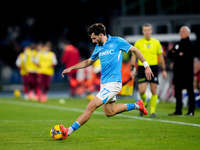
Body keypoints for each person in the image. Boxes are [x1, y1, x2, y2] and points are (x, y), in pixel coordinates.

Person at [59, 23, 154, 140]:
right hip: (104, 84)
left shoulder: (117, 41)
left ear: (100, 34)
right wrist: (72, 68)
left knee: (91, 106)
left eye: (94, 38)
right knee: (110, 112)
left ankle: (68, 131)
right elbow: (89, 61)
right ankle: (137, 105)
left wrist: (146, 66)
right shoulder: (98, 47)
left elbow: (135, 50)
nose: (93, 41)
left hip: (114, 83)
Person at [131, 23, 167, 118]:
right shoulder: (138, 43)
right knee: (142, 91)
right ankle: (144, 104)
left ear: (151, 31)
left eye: (148, 30)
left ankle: (153, 112)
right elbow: (134, 56)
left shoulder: (156, 42)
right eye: (145, 30)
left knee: (153, 90)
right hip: (142, 68)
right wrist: (132, 68)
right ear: (143, 31)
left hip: (153, 68)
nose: (147, 32)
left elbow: (161, 57)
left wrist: (163, 69)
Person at [168, 26, 198, 116]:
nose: (181, 33)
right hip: (177, 71)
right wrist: (179, 54)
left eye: (183, 31)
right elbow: (170, 54)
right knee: (177, 91)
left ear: (188, 33)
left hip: (187, 71)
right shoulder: (178, 43)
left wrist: (177, 54)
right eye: (180, 31)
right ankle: (178, 110)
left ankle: (191, 111)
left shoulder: (191, 44)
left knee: (190, 91)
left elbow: (188, 56)